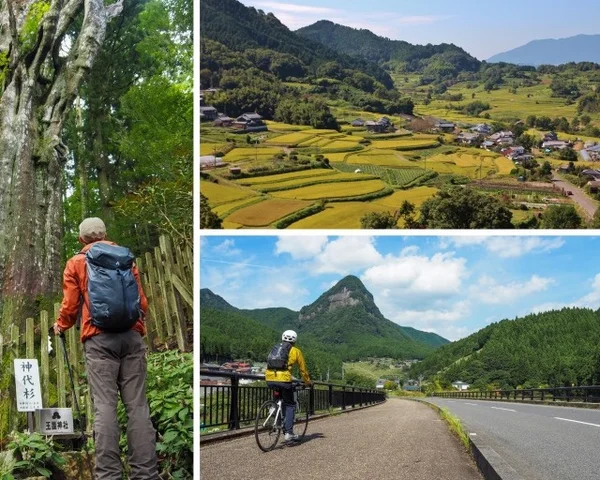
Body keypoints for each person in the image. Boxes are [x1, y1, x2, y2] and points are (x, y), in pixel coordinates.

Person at [53, 217, 159, 480]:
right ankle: (146, 474)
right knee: (137, 406)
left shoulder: (76, 262)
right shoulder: (125, 258)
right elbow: (141, 303)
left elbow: (70, 306)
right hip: (132, 337)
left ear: (81, 239)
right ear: (106, 234)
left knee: (105, 407)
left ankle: (109, 475)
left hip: (99, 340)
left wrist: (61, 326)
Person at [265, 330, 311, 442]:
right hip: (284, 380)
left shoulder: (276, 348)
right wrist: (308, 382)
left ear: (283, 337)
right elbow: (303, 370)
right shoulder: (295, 351)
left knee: (278, 398)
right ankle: (289, 433)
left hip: (270, 378)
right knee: (290, 405)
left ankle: (274, 409)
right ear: (295, 340)